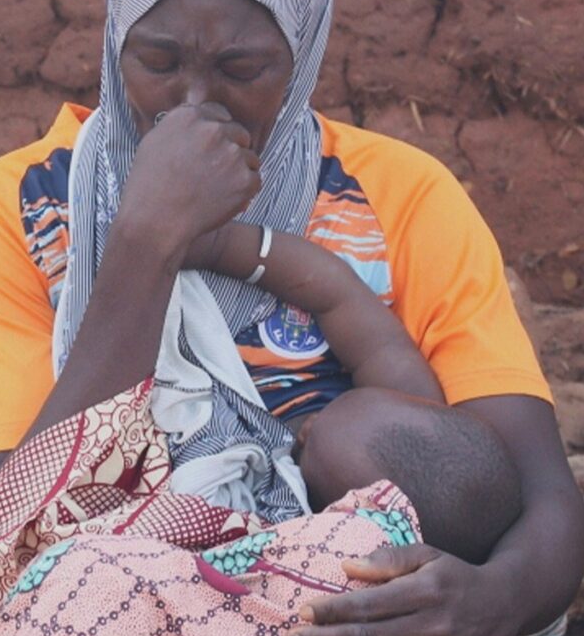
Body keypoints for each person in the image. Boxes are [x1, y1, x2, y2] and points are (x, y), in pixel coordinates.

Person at [0, 0, 584, 636]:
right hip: (114, 600)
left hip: (341, 622)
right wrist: (143, 240)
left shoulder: (402, 197)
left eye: (242, 70)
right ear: (113, 36)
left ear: (304, 45)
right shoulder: (16, 206)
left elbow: (534, 498)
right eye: (157, 60)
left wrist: (486, 603)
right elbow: (14, 535)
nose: (192, 103)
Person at [189, 220, 524, 565]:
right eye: (345, 401)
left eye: (306, 447)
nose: (308, 424)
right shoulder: (405, 387)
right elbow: (336, 291)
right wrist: (219, 244)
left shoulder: (280, 522)